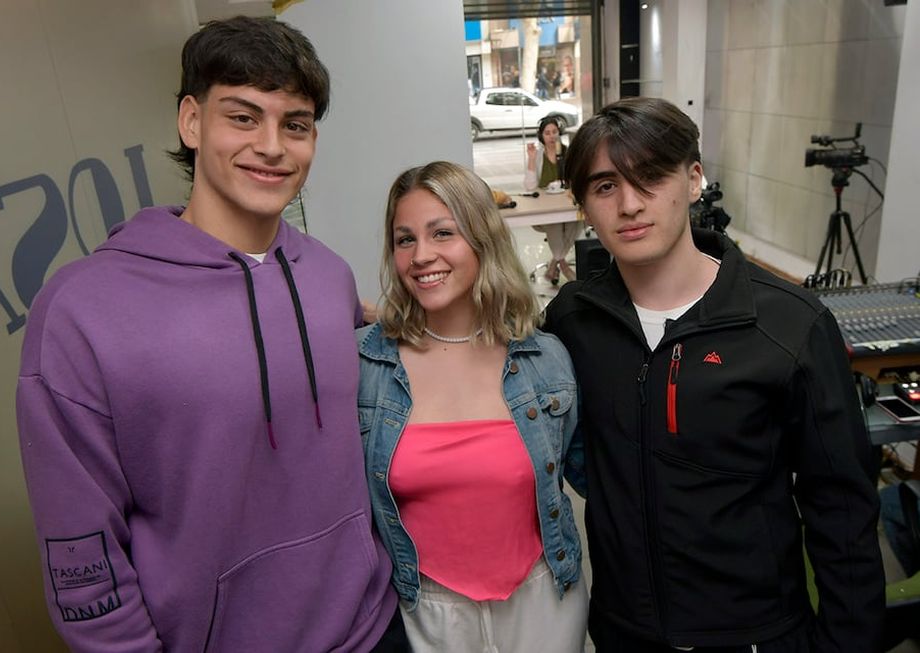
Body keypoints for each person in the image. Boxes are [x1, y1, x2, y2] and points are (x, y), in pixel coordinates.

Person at [16, 16, 405, 652]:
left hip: (372, 627)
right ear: (191, 122)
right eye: (244, 117)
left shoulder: (329, 275)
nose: (273, 146)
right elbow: (82, 553)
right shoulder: (83, 311)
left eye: (296, 124)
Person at [545, 97, 884, 652]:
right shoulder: (573, 320)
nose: (629, 204)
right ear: (583, 204)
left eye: (650, 176)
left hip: (755, 635)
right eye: (605, 186)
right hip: (623, 632)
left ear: (694, 178)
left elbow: (842, 512)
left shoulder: (788, 326)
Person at [357, 161, 588, 652]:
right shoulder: (366, 366)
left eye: (443, 233)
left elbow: (587, 471)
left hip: (542, 599)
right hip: (427, 610)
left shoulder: (543, 359)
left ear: (482, 238)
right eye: (405, 240)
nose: (422, 256)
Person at [525, 116, 582, 284]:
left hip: (567, 205)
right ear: (541, 136)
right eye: (547, 133)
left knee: (578, 219)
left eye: (555, 132)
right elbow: (529, 187)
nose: (552, 137)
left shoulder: (569, 153)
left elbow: (577, 179)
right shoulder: (538, 155)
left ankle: (555, 264)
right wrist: (531, 159)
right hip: (545, 210)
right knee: (555, 222)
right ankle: (562, 264)